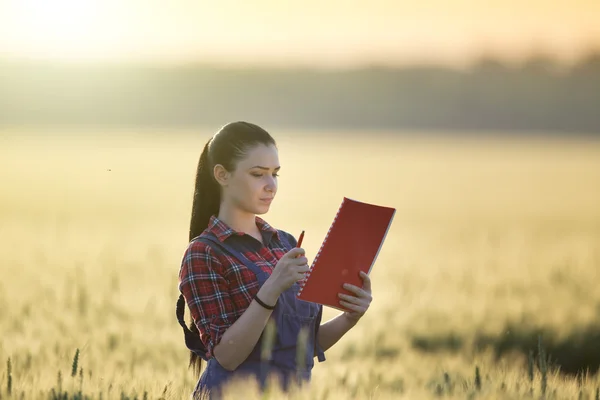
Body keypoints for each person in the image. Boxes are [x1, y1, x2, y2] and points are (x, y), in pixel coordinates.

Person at [176, 121, 373, 399]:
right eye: (258, 174)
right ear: (222, 174)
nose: (271, 185)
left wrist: (350, 318)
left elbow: (300, 347)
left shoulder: (286, 243)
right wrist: (271, 288)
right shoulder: (203, 254)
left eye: (275, 174)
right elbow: (227, 355)